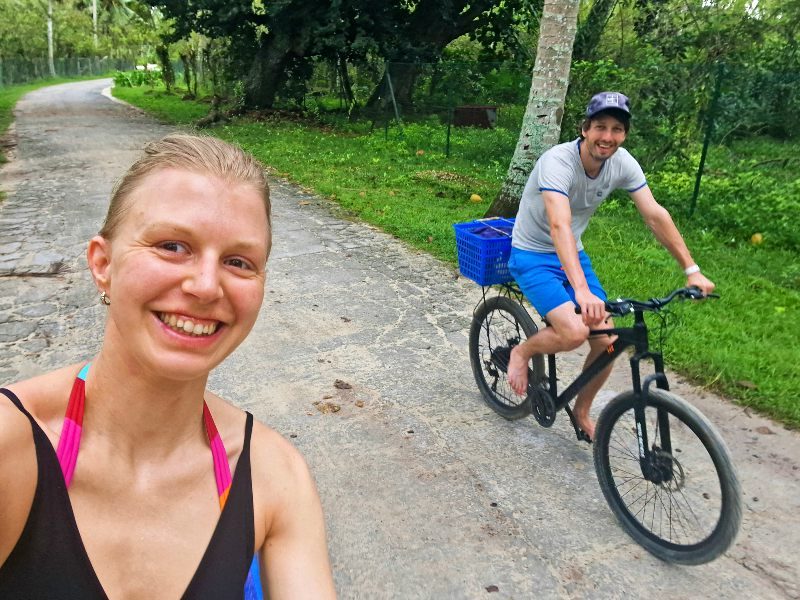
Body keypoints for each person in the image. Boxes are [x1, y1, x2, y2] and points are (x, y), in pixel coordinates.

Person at [0, 134, 336, 598]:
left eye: (239, 262)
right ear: (102, 263)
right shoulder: (11, 449)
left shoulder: (275, 477)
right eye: (173, 246)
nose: (205, 286)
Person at [506, 92, 714, 441]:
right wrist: (582, 291)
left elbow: (654, 214)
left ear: (625, 134)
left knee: (609, 340)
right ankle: (522, 351)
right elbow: (559, 224)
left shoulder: (622, 163)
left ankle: (583, 410)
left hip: (574, 253)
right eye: (600, 126)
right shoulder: (557, 161)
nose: (608, 136)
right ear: (584, 129)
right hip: (532, 254)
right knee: (574, 332)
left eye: (617, 129)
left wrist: (691, 269)